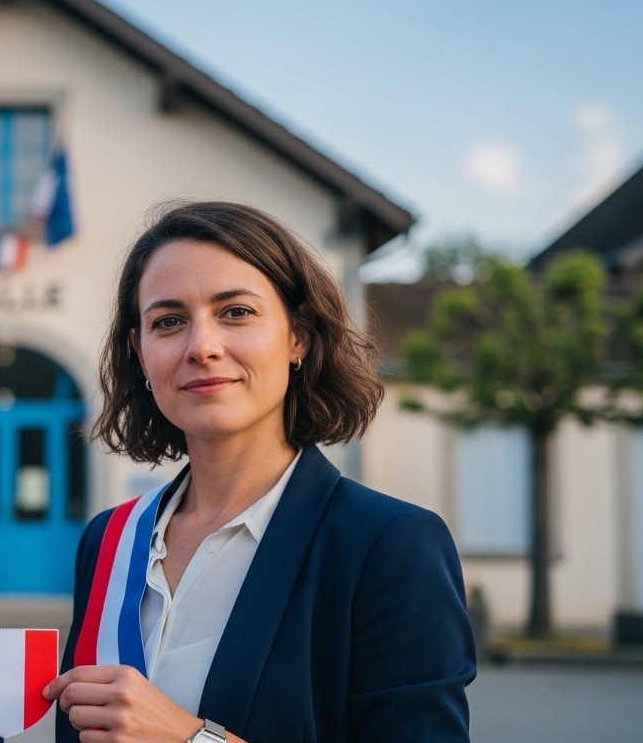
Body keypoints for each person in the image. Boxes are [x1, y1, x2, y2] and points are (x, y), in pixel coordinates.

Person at [45, 201, 475, 742]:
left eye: (236, 312)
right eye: (168, 321)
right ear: (140, 352)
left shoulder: (389, 545)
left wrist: (192, 741)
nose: (202, 347)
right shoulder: (109, 540)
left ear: (299, 336)